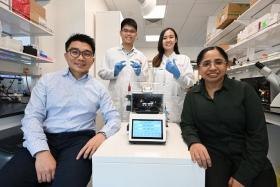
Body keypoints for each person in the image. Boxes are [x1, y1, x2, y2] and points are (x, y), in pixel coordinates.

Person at [0, 33, 121, 187]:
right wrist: (41, 151)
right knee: (6, 181)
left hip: (79, 142)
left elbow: (114, 118)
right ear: (66, 55)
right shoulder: (47, 81)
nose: (80, 58)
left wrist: (102, 135)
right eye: (75, 52)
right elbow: (32, 118)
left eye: (86, 53)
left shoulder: (99, 89)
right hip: (46, 137)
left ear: (93, 59)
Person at [180, 46, 277, 187]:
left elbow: (258, 137)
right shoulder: (192, 95)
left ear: (227, 65)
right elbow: (187, 125)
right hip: (214, 160)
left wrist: (243, 177)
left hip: (249, 159)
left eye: (218, 62)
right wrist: (194, 142)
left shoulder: (244, 91)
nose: (212, 68)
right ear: (199, 69)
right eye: (206, 64)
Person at [98, 18, 148, 121]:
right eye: (125, 30)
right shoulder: (110, 53)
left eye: (132, 31)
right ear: (120, 33)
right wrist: (114, 72)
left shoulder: (141, 56)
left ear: (136, 34)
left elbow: (145, 79)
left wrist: (139, 73)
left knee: (133, 130)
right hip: (115, 100)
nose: (128, 34)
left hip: (135, 101)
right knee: (114, 129)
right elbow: (102, 73)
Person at [152, 27, 194, 123]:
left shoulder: (184, 59)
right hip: (158, 108)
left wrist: (178, 74)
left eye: (171, 37)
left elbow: (190, 84)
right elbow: (153, 86)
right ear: (161, 41)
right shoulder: (156, 61)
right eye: (165, 38)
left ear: (176, 40)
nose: (168, 40)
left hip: (177, 108)